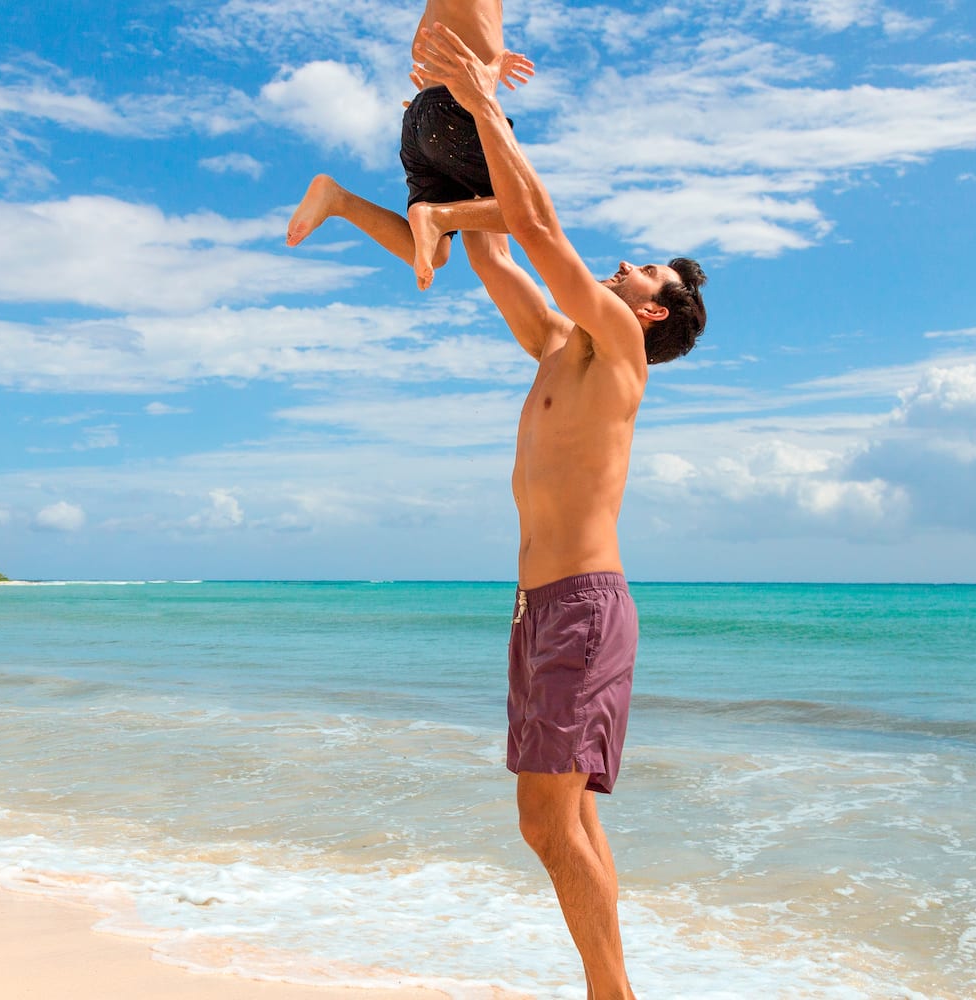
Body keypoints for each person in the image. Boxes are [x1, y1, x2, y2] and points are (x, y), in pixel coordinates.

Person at [413, 21, 707, 1000]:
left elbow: (539, 232)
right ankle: (609, 988)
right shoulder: (555, 350)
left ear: (651, 313)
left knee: (542, 821)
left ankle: (611, 994)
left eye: (642, 273)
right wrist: (467, 106)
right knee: (572, 819)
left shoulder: (618, 348)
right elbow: (499, 254)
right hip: (538, 609)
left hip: (582, 605)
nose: (625, 267)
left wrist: (489, 106)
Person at [284, 0, 531, 290]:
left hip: (421, 114)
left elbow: (420, 47)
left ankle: (338, 199)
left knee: (434, 252)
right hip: (456, 109)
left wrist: (485, 59)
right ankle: (437, 216)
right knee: (528, 211)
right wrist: (490, 62)